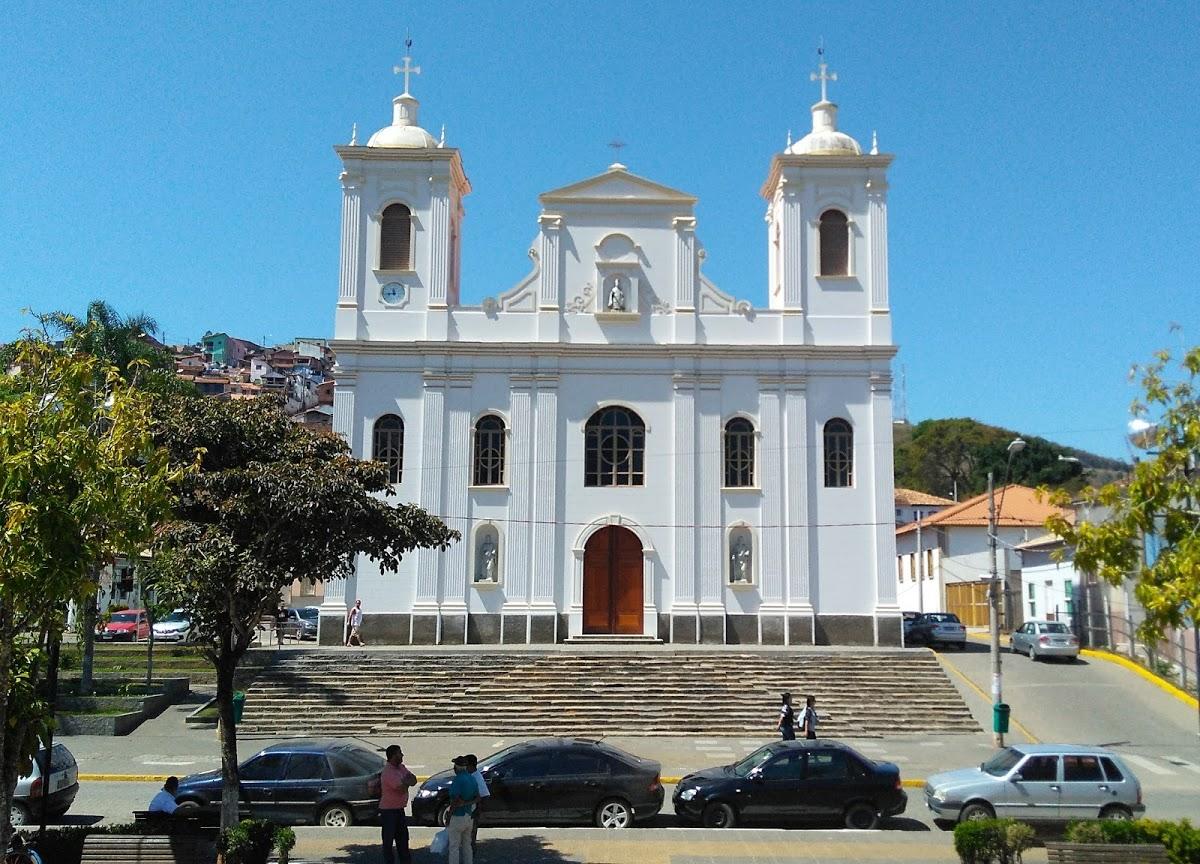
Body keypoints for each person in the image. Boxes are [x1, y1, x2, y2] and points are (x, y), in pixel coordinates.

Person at [379, 744, 417, 864]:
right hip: (389, 811)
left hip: (399, 810)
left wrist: (406, 781)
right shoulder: (388, 772)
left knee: (403, 841)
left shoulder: (401, 767)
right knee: (388, 843)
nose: (402, 755)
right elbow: (400, 788)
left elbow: (414, 779)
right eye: (399, 753)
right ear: (393, 756)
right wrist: (406, 781)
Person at [445, 755, 479, 864]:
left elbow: (455, 799)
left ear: (457, 767)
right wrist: (466, 803)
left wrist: (449, 815)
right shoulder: (472, 778)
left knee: (454, 846)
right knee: (467, 844)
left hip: (457, 816)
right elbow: (478, 797)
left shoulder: (458, 780)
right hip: (469, 815)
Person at [465, 754, 490, 852]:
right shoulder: (473, 775)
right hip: (472, 809)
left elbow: (481, 796)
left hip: (475, 810)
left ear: (470, 766)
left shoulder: (476, 778)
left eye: (466, 765)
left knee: (470, 836)